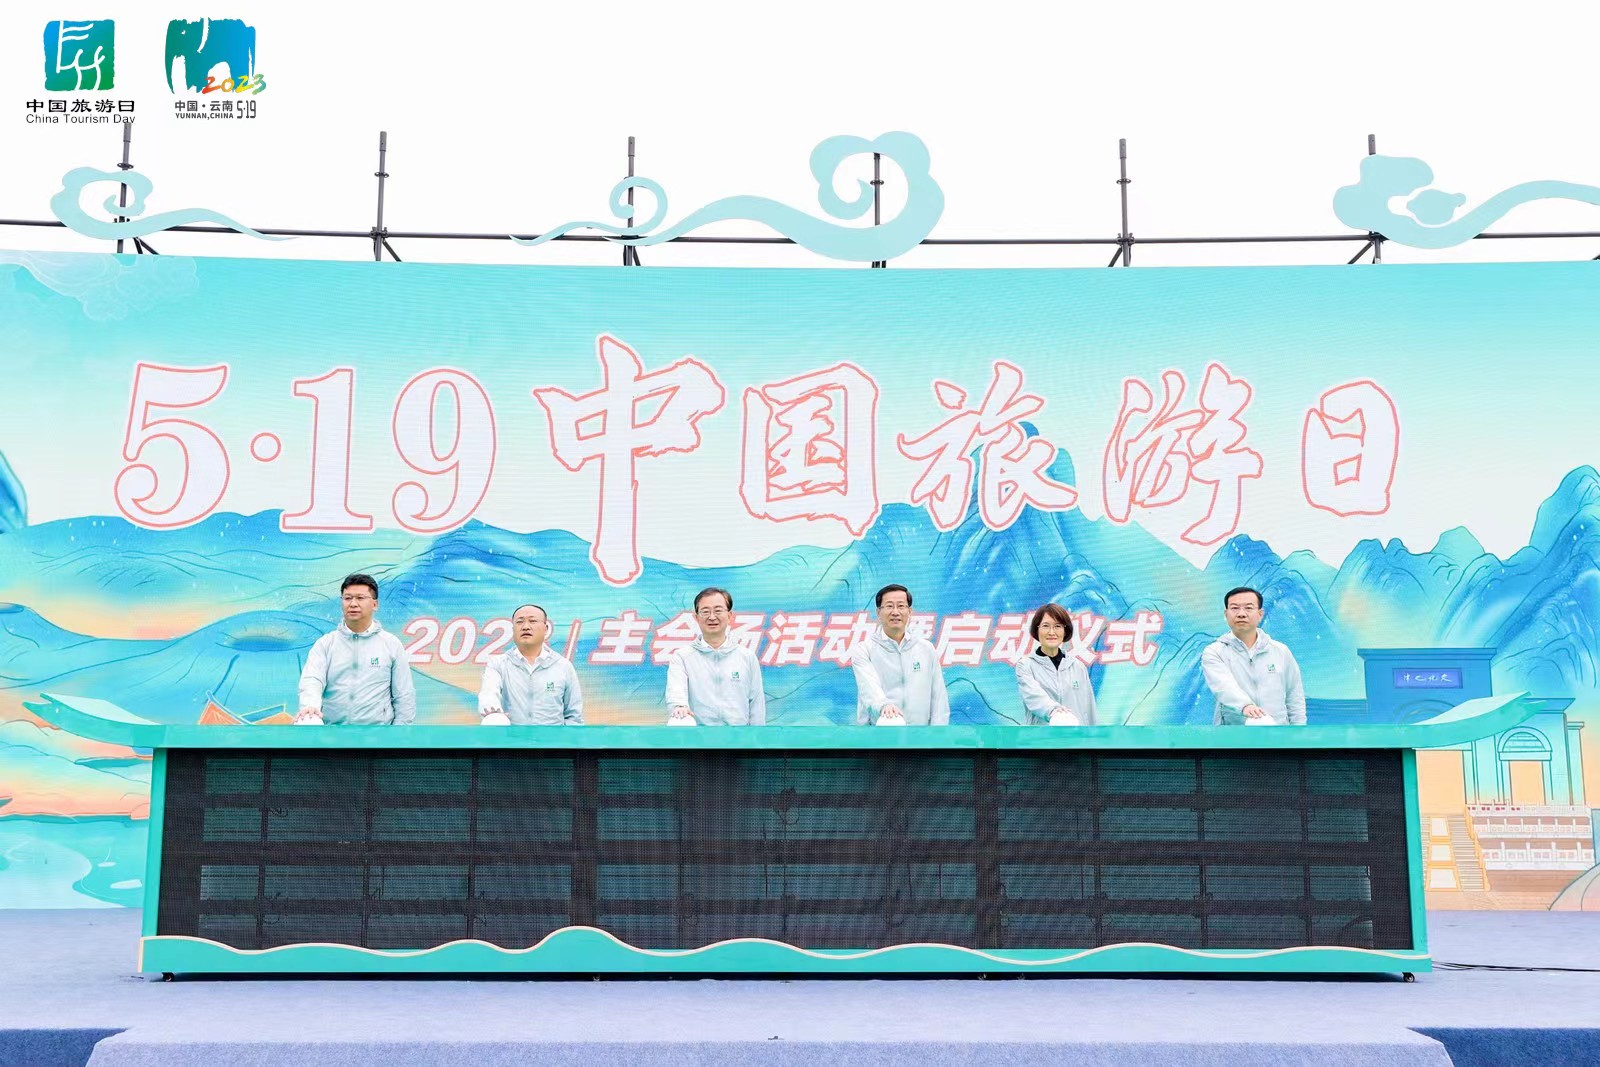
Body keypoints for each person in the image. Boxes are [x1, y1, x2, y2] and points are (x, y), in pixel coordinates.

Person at [296, 574, 417, 725]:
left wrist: (400, 733)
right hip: (333, 731)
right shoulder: (326, 644)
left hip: (377, 732)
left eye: (360, 598)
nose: (353, 604)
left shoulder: (391, 644)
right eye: (347, 598)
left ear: (375, 604)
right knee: (307, 720)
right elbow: (312, 680)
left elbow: (404, 694)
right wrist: (310, 705)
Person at [1201, 586, 1306, 726]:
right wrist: (1245, 706)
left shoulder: (1281, 651)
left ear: (1260, 614)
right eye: (1234, 608)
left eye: (1248, 608)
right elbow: (1223, 686)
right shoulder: (1214, 652)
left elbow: (1294, 695)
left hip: (1277, 732)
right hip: (1233, 732)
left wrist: (1299, 730)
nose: (1241, 614)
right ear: (1226, 614)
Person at [850, 584, 950, 725]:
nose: (895, 612)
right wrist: (884, 705)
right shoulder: (864, 650)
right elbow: (868, 687)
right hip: (880, 730)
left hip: (920, 733)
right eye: (889, 606)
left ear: (909, 611)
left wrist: (938, 732)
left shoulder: (926, 649)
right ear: (878, 612)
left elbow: (938, 696)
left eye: (901, 606)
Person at [665, 587, 765, 725]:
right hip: (699, 735)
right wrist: (679, 706)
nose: (712, 617)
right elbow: (676, 694)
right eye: (705, 612)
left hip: (738, 735)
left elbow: (756, 704)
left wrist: (757, 736)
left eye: (718, 611)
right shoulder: (683, 657)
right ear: (696, 617)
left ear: (729, 616)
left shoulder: (746, 657)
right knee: (678, 721)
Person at [477, 603, 583, 725]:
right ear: (513, 629)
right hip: (512, 737)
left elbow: (574, 717)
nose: (525, 627)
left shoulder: (563, 666)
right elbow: (489, 695)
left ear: (545, 628)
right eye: (519, 622)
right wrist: (494, 714)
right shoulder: (498, 664)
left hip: (552, 737)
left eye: (532, 621)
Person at [1014, 603, 1097, 725]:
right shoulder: (1025, 665)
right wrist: (1054, 711)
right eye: (1046, 626)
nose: (1051, 632)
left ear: (1065, 631)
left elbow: (1088, 708)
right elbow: (1034, 696)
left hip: (1075, 735)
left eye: (1057, 626)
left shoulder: (1077, 666)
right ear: (1037, 630)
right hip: (1041, 736)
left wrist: (1094, 734)